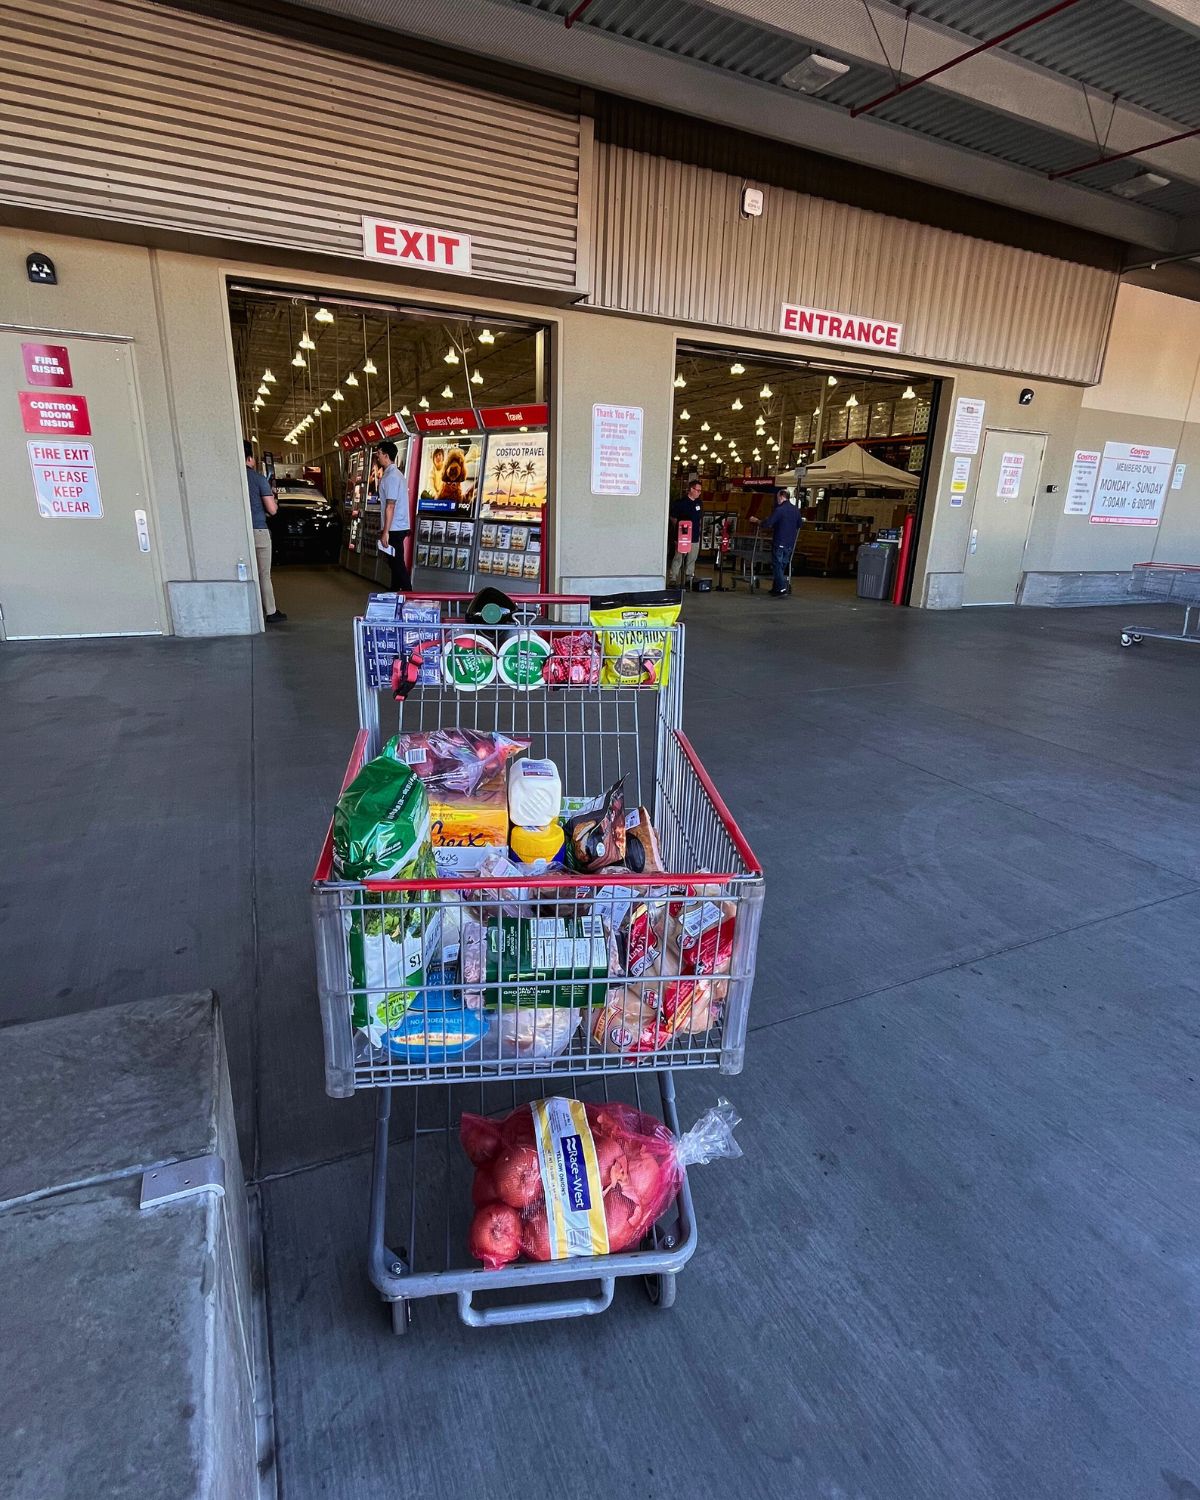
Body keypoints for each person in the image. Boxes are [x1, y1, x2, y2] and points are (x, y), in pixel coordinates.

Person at [245, 440, 285, 624]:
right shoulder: (258, 479)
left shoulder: (232, 478)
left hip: (240, 532)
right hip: (259, 530)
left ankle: (247, 611)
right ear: (250, 458)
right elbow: (272, 509)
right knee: (263, 574)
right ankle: (270, 611)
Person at [375, 440, 412, 591]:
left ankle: (409, 594)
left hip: (395, 527)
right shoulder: (394, 474)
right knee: (394, 562)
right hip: (397, 526)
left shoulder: (391, 477)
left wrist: (385, 532)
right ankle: (394, 593)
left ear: (386, 455)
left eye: (379, 454)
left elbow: (390, 505)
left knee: (397, 563)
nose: (377, 457)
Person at [755, 487, 803, 597]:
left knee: (777, 565)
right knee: (782, 566)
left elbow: (768, 523)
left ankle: (781, 588)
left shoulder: (779, 510)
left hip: (780, 540)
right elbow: (800, 524)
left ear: (781, 497)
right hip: (790, 542)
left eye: (777, 497)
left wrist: (758, 521)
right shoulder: (795, 510)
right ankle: (776, 588)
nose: (777, 499)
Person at [667, 478, 704, 587]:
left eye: (700, 491)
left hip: (695, 536)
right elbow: (673, 518)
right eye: (697, 490)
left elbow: (699, 518)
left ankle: (689, 578)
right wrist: (677, 531)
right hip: (682, 535)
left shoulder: (699, 503)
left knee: (692, 558)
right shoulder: (680, 503)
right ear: (691, 489)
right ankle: (673, 578)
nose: (699, 493)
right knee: (678, 557)